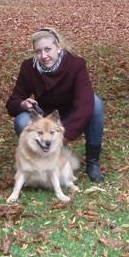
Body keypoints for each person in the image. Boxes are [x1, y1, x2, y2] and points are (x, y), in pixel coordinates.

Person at [6, 27, 105, 182]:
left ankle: (93, 162)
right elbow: (12, 104)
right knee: (22, 120)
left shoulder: (76, 64)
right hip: (46, 115)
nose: (43, 56)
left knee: (96, 104)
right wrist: (22, 104)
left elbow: (84, 104)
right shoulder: (28, 67)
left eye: (48, 49)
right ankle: (38, 165)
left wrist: (63, 137)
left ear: (58, 48)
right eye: (38, 51)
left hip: (70, 112)